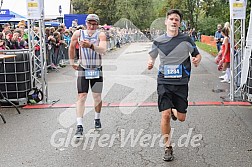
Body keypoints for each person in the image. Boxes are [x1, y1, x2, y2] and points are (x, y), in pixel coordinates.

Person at [147, 9, 201, 161]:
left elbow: (196, 54)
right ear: (166, 21)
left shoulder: (186, 40)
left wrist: (197, 59)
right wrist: (150, 62)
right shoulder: (158, 41)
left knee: (182, 117)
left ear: (179, 23)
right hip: (164, 81)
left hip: (181, 82)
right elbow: (151, 55)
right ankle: (168, 147)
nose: (173, 21)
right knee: (164, 115)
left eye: (176, 19)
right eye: (171, 18)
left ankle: (173, 111)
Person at [68, 14, 107, 138]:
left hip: (97, 68)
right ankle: (79, 125)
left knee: (97, 97)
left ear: (97, 25)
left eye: (94, 24)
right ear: (86, 23)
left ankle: (97, 118)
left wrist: (90, 45)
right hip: (83, 68)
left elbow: (103, 50)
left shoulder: (100, 35)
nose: (91, 26)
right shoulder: (78, 34)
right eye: (89, 23)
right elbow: (72, 46)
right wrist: (71, 61)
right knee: (82, 96)